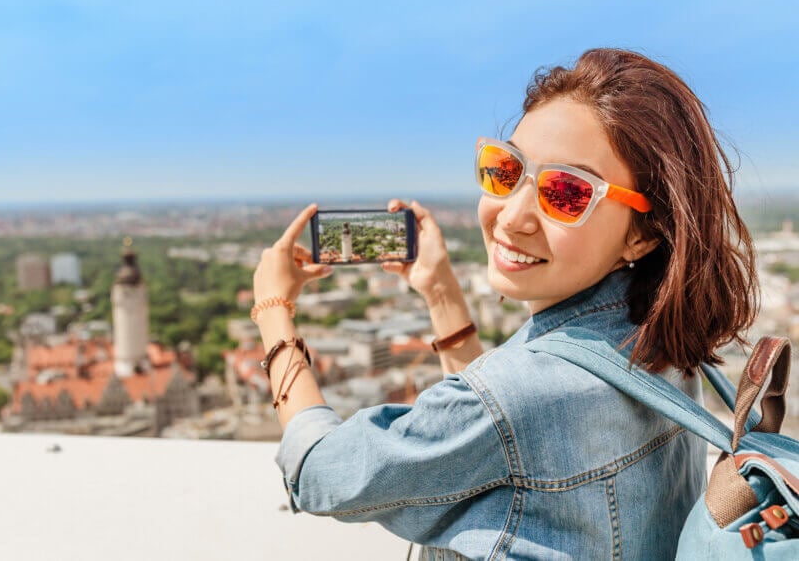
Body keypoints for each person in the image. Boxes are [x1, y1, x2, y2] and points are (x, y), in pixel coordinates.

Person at [250, 48, 757, 559]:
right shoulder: (663, 340)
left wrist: (274, 309)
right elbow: (515, 431)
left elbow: (319, 473)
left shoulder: (516, 399)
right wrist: (440, 290)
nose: (513, 216)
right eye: (505, 169)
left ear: (643, 233)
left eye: (565, 193)